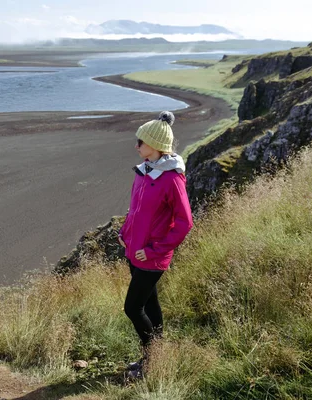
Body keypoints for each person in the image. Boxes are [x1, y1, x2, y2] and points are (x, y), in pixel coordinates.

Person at [118, 111, 193, 378]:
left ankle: (151, 363)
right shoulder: (143, 171)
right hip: (134, 251)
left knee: (132, 308)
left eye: (141, 140)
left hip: (151, 256)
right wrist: (125, 233)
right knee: (150, 306)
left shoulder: (172, 179)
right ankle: (156, 356)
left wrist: (155, 250)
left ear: (155, 145)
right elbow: (135, 210)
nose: (136, 144)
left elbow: (185, 223)